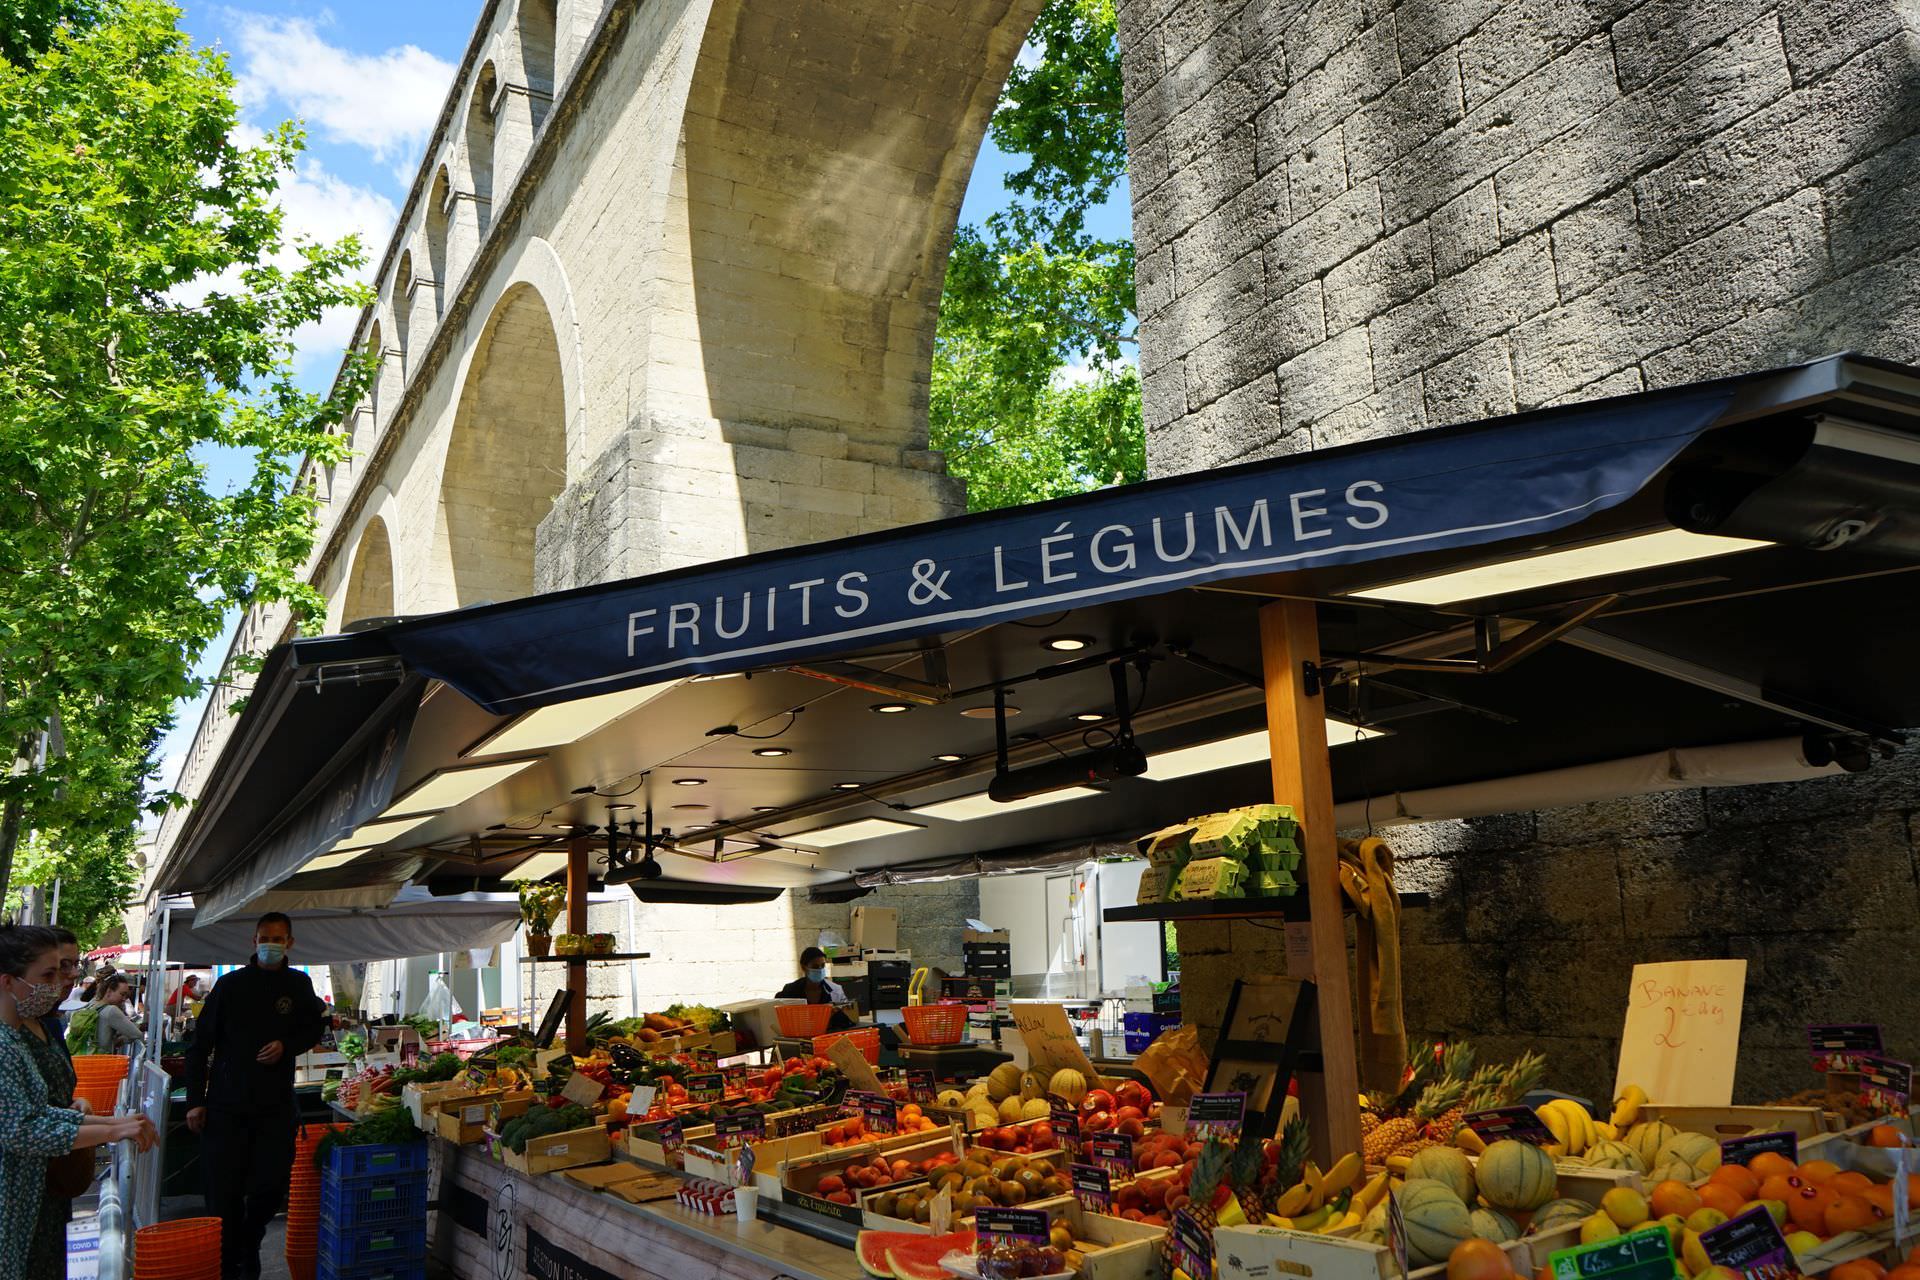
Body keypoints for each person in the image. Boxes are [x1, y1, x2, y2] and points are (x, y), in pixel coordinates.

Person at [0, 925, 155, 1280]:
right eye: (48, 974)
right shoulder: (6, 1043)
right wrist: (111, 1130)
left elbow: (39, 1114)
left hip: (32, 1199)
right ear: (9, 981)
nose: (60, 983)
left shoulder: (16, 1040)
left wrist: (111, 1126)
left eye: (63, 970)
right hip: (14, 1206)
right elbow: (21, 1130)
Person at [183, 914, 326, 1280]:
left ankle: (250, 1239)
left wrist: (287, 1045)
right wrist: (195, 1100)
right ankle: (233, 1262)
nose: (270, 944)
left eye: (277, 939)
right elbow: (199, 1047)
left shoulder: (298, 984)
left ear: (290, 942)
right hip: (226, 1106)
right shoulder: (230, 986)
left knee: (271, 1185)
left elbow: (313, 1028)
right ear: (253, 940)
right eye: (264, 938)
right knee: (223, 1193)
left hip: (275, 1106)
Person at [67, 976, 141, 1056]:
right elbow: (137, 1034)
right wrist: (120, 1040)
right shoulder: (111, 1010)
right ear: (109, 991)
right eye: (122, 994)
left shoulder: (90, 1004)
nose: (124, 999)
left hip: (81, 1059)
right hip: (100, 1062)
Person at [775, 947, 847, 1005]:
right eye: (815, 966)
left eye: (822, 965)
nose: (820, 969)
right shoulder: (790, 990)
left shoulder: (836, 990)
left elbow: (846, 1016)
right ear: (804, 967)